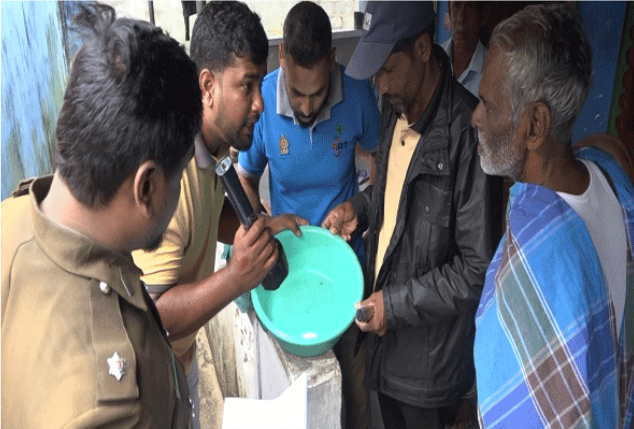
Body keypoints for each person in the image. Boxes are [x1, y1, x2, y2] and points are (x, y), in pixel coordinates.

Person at [0, 3, 200, 428]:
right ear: (146, 187)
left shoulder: (11, 220)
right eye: (180, 175)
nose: (180, 190)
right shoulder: (104, 407)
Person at [323, 0, 502, 428]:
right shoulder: (394, 108)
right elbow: (394, 196)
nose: (380, 84)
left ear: (423, 48)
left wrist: (395, 305)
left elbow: (476, 269)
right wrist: (359, 210)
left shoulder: (467, 134)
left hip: (430, 368)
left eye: (388, 68)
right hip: (386, 348)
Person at [131, 2, 305, 428]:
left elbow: (213, 211)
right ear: (207, 86)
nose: (260, 103)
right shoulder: (170, 173)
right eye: (247, 86)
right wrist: (235, 278)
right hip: (149, 379)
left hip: (182, 358)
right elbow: (153, 314)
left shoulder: (216, 142)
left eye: (261, 84)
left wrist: (261, 223)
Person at [471, 3, 634, 428]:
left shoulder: (535, 264)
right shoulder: (610, 176)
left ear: (534, 125)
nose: (475, 117)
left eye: (488, 105)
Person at [236, 4, 380, 426]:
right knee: (300, 397)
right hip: (289, 272)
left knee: (356, 389)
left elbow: (379, 160)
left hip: (347, 270)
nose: (305, 105)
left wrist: (362, 206)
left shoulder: (356, 94)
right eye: (297, 93)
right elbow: (246, 178)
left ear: (332, 60)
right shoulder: (262, 102)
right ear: (282, 59)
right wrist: (262, 224)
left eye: (316, 94)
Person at [441, 0, 486, 98]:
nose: (461, 18)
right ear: (450, 11)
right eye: (456, 5)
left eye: (470, 7)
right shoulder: (435, 59)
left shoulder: (491, 70)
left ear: (483, 16)